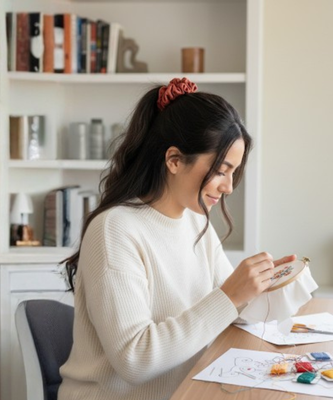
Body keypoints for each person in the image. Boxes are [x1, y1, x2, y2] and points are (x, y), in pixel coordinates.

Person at [59, 77, 295, 400]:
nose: (228, 187)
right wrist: (230, 295)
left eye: (233, 173)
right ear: (173, 160)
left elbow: (235, 310)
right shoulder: (114, 230)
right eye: (222, 170)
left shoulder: (196, 222)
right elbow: (135, 359)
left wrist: (269, 283)